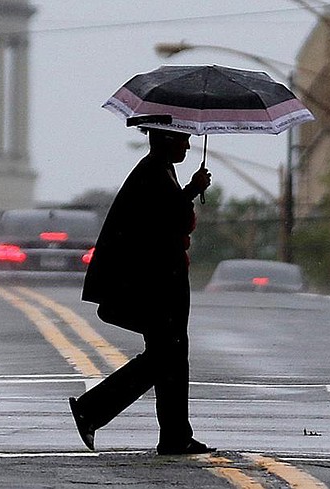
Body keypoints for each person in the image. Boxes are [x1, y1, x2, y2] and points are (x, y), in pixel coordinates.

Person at [68, 127, 213, 455]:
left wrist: (188, 190)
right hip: (154, 284)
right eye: (183, 139)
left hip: (166, 279)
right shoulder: (150, 174)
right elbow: (163, 220)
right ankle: (92, 410)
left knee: (171, 355)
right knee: (167, 354)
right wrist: (192, 190)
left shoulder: (162, 171)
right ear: (165, 140)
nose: (188, 145)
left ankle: (175, 435)